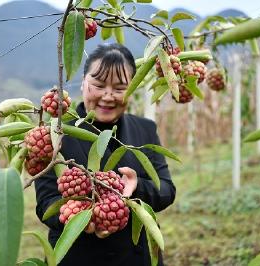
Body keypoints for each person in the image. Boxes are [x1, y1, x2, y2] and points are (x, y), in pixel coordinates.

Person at [35, 43, 176, 266]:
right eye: (99, 85)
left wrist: (136, 186)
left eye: (120, 88)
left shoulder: (145, 129)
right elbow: (46, 205)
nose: (108, 96)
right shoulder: (54, 135)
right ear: (83, 82)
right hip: (76, 258)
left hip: (135, 258)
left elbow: (166, 190)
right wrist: (82, 214)